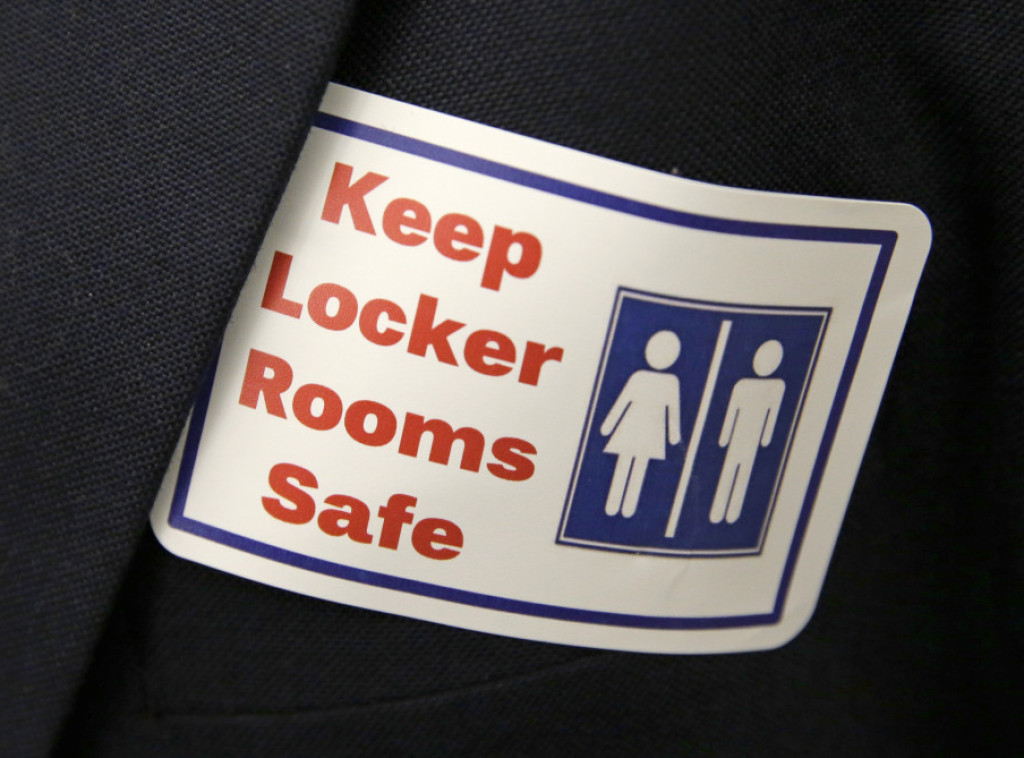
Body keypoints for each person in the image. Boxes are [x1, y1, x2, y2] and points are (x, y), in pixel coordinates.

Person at [600, 330, 683, 518]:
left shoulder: (670, 382)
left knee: (638, 468)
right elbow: (622, 403)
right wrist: (608, 425)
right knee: (625, 465)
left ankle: (627, 507)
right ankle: (614, 505)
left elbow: (673, 412)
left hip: (650, 433)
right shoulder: (639, 377)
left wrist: (674, 436)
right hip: (632, 429)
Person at [709, 339, 785, 524]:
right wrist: (725, 437)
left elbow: (771, 416)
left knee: (743, 473)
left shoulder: (777, 387)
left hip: (752, 439)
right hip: (738, 437)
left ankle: (732, 513)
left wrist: (765, 437)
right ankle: (718, 511)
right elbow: (732, 413)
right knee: (730, 470)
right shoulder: (741, 385)